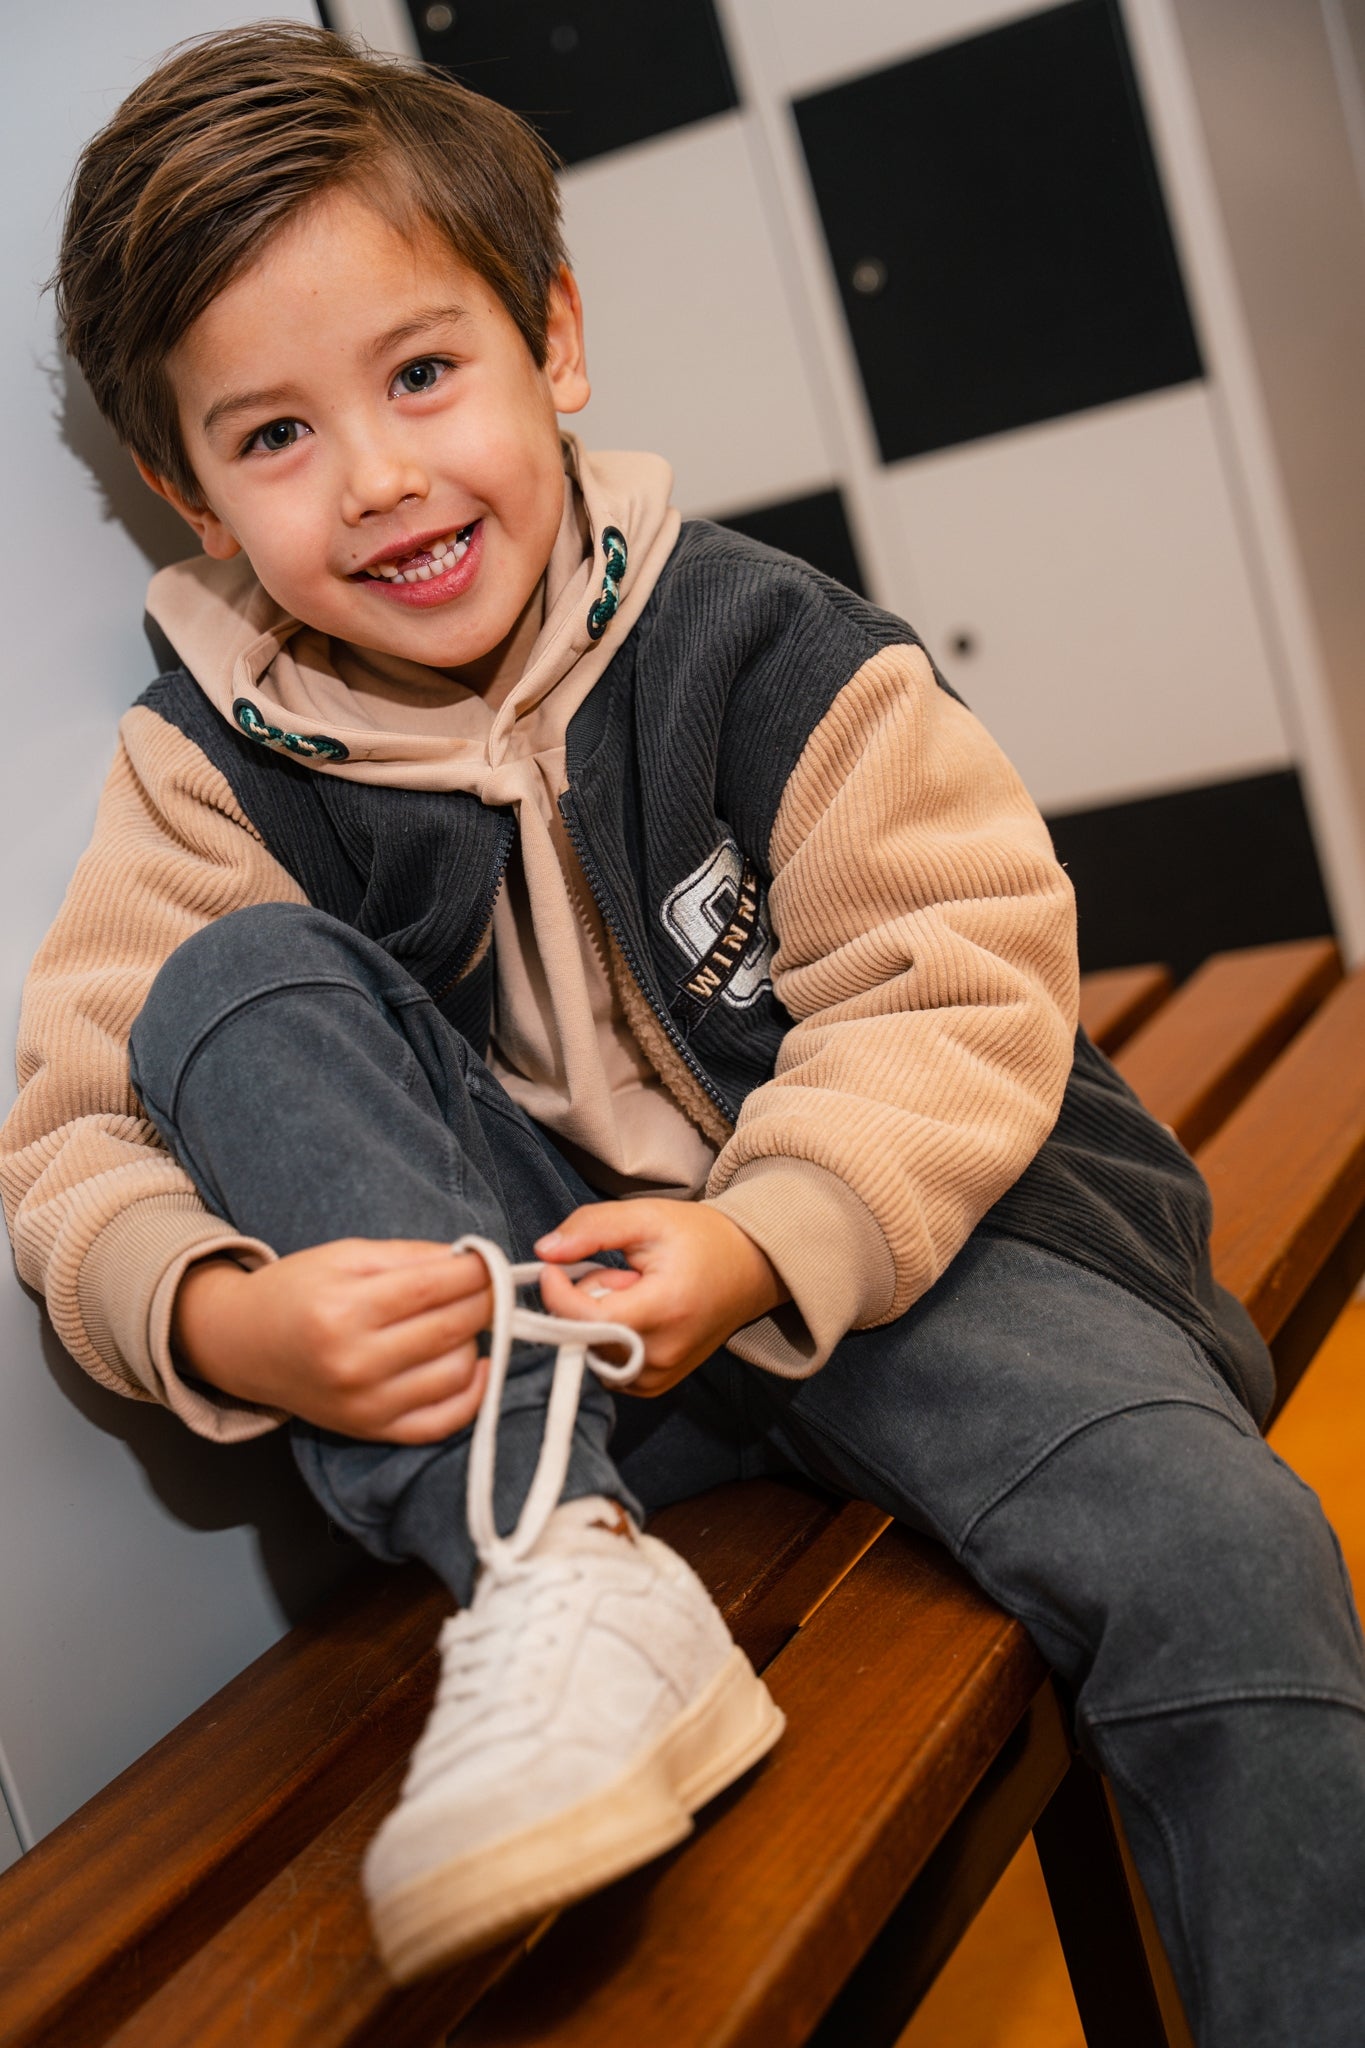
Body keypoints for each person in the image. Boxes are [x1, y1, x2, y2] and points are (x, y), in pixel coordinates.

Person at [3, 22, 1362, 2037]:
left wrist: (755, 1237)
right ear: (184, 495)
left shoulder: (758, 646)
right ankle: (565, 1571)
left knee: (1224, 1552)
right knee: (224, 985)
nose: (378, 479)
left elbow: (959, 977)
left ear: (550, 339)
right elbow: (73, 1134)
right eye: (272, 435)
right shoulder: (204, 768)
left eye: (420, 373)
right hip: (564, 1369)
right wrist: (218, 1317)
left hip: (895, 1261)